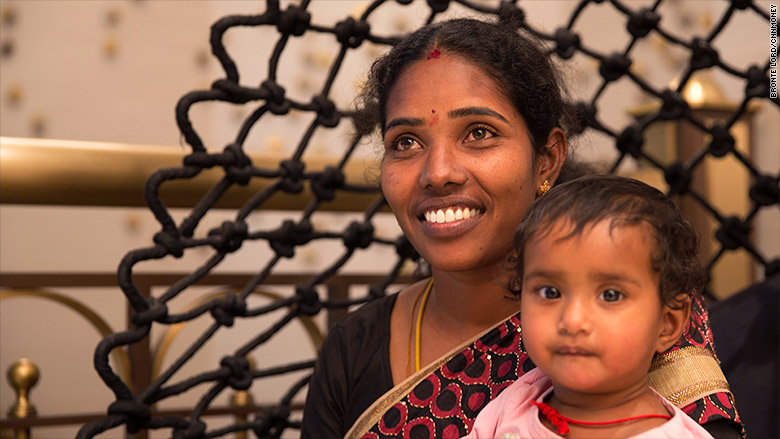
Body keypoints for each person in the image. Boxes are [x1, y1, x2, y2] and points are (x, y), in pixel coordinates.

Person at [301, 17, 742, 439]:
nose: (437, 173)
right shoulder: (353, 347)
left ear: (547, 158)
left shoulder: (637, 314)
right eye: (406, 142)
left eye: (478, 133)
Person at [465, 175, 713, 438]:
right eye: (550, 292)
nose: (572, 320)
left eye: (610, 295)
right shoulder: (518, 400)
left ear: (667, 324)